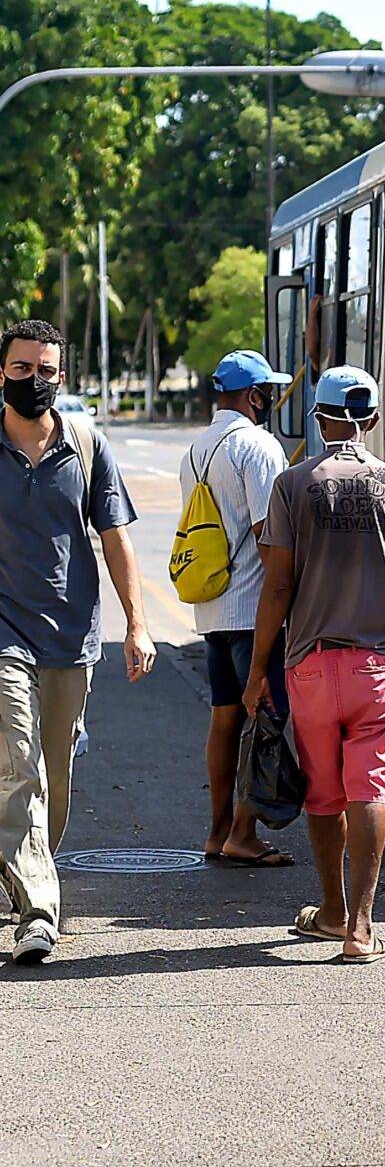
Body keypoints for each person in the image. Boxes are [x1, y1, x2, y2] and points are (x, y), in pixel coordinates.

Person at [245, 366, 385, 964]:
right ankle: (361, 928)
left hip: (310, 666)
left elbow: (277, 588)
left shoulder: (291, 486)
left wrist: (260, 668)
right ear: (373, 421)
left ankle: (331, 910)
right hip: (380, 669)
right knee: (371, 789)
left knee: (323, 793)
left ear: (319, 418)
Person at [0, 319, 155, 966]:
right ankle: (39, 909)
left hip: (70, 638)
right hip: (4, 635)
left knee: (53, 780)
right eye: (21, 369)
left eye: (46, 371)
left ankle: (22, 866)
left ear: (61, 378)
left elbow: (116, 539)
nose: (34, 380)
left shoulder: (86, 446)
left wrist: (138, 623)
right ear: (0, 372)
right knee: (17, 763)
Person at [183, 350, 295, 867]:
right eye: (266, 391)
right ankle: (244, 833)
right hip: (255, 609)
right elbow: (267, 534)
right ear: (253, 396)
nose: (269, 399)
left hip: (213, 609)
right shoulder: (258, 446)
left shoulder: (196, 448)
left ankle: (215, 830)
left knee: (223, 719)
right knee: (266, 717)